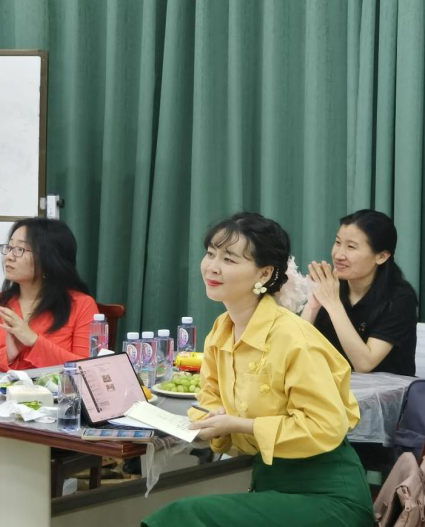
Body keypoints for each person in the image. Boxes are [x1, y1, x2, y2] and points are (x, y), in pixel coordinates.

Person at [142, 212, 373, 527]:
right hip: (270, 486)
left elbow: (325, 427)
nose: (212, 266)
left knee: (182, 515)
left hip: (329, 497)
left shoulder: (294, 337)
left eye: (229, 259)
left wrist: (238, 423)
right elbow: (210, 398)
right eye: (210, 253)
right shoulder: (221, 331)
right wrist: (210, 422)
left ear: (264, 273)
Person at [302, 209, 417, 376]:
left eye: (351, 247)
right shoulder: (333, 287)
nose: (338, 255)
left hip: (386, 391)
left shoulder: (400, 299)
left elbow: (364, 364)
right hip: (331, 386)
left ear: (381, 257)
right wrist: (312, 307)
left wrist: (333, 304)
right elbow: (295, 351)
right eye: (337, 242)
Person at [0, 217, 98, 373]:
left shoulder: (81, 305)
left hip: (56, 390)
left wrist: (33, 341)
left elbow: (88, 369)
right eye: (9, 247)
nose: (9, 256)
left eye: (20, 249)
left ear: (49, 258)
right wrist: (6, 355)